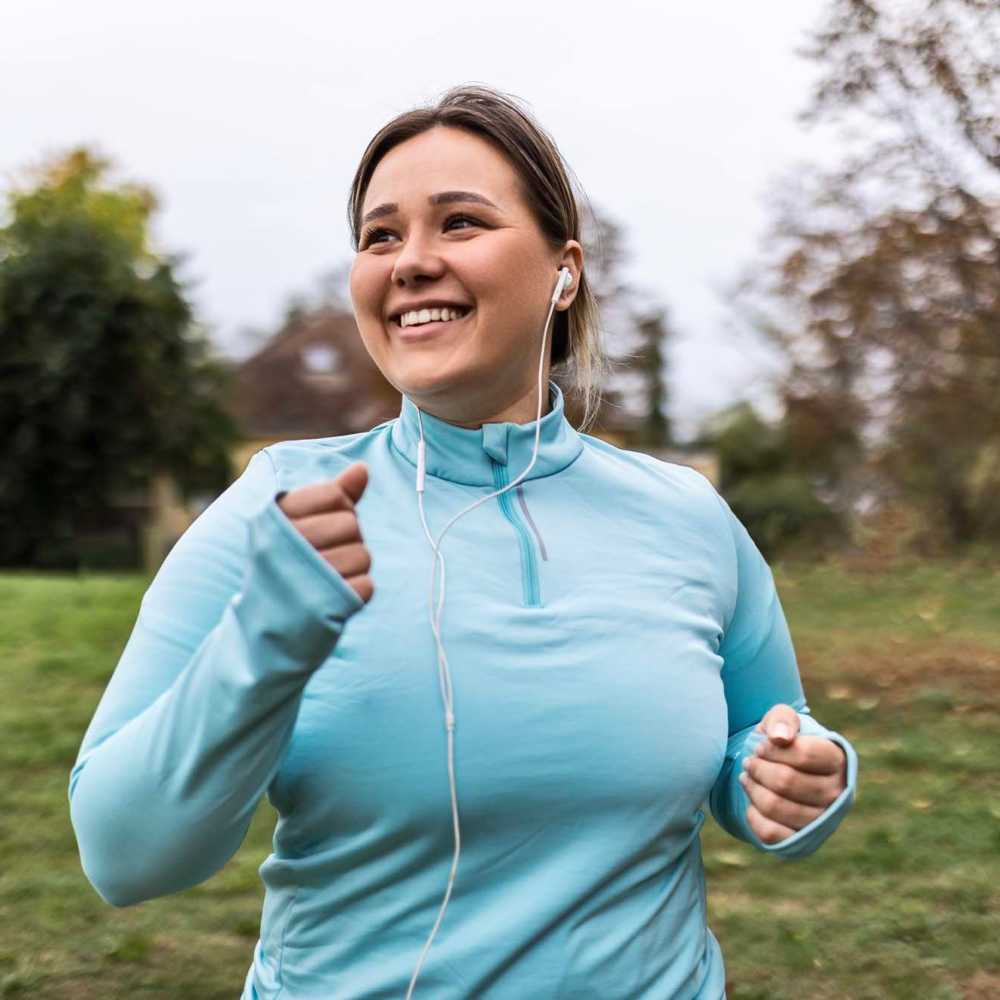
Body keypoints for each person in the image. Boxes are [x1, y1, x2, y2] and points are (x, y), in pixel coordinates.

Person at [69, 84, 859, 1000]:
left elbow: (756, 747)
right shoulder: (279, 509)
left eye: (460, 223)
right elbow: (124, 860)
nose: (410, 262)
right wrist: (262, 647)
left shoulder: (687, 516)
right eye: (379, 236)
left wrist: (800, 780)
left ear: (564, 270)